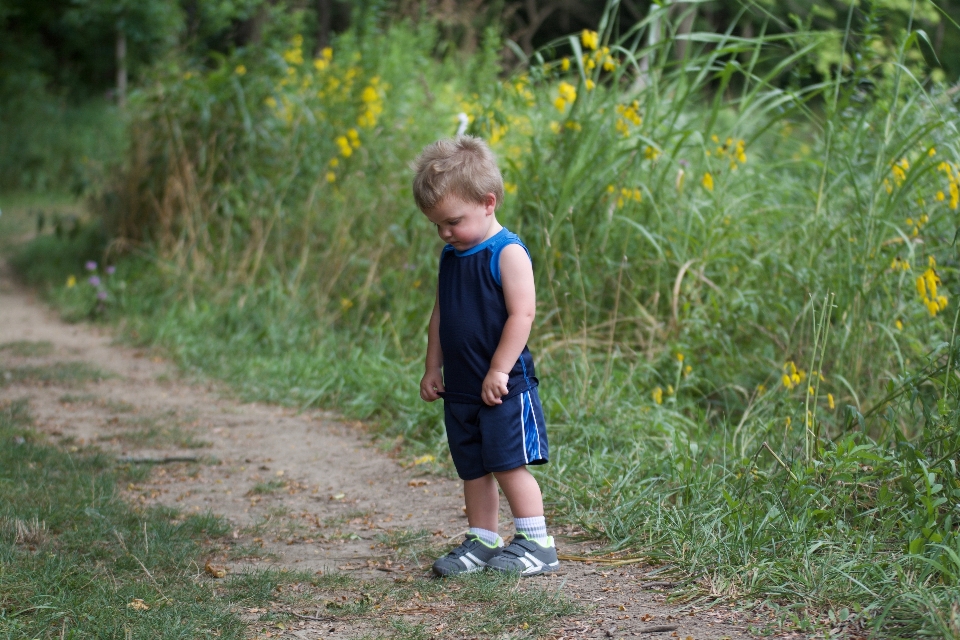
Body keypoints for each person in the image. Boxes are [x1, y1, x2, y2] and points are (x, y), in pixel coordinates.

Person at [412, 135, 558, 577]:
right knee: (472, 467)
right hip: (460, 387)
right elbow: (441, 313)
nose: (444, 233)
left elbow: (523, 313)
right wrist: (432, 365)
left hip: (502, 387)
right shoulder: (450, 255)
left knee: (507, 463)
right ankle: (483, 538)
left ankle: (537, 542)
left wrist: (499, 369)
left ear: (488, 202)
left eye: (453, 222)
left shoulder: (507, 252)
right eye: (436, 225)